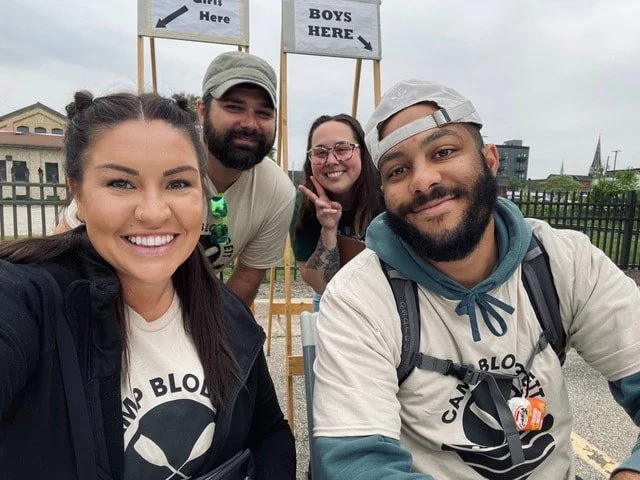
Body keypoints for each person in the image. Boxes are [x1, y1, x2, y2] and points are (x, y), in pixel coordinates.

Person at [311, 79, 640, 479]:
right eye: (398, 170)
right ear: (384, 192)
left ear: (490, 159)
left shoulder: (563, 262)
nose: (423, 180)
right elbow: (358, 465)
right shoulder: (360, 298)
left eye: (444, 151)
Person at [0, 91, 295, 479]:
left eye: (177, 184)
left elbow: (269, 432)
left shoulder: (225, 313)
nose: (154, 212)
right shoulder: (30, 299)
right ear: (79, 195)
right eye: (121, 183)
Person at [58, 51, 296, 306]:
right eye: (234, 107)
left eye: (263, 113)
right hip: (102, 298)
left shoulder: (277, 191)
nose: (249, 123)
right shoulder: (155, 157)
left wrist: (214, 336)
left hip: (184, 310)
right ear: (202, 111)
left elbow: (246, 281)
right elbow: (64, 249)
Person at [290, 114, 383, 311]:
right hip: (334, 299)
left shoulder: (387, 193)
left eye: (342, 149)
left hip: (389, 298)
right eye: (320, 153)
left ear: (363, 153)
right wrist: (328, 228)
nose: (331, 160)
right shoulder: (305, 203)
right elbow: (320, 285)